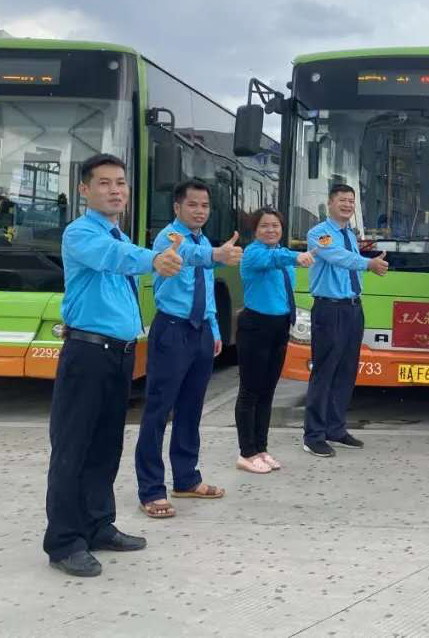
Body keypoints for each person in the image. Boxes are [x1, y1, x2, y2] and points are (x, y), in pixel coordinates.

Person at [43, 153, 183, 577]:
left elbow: (126, 253)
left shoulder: (118, 235)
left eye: (120, 182)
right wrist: (153, 260)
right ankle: (65, 541)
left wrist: (207, 255)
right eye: (104, 183)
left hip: (118, 354)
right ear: (84, 190)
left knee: (106, 446)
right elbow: (114, 256)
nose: (115, 190)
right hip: (87, 354)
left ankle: (98, 525)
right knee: (73, 448)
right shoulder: (81, 234)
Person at [134, 179, 244, 518]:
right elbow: (187, 256)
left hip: (200, 332)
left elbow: (206, 290)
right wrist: (216, 255)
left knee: (191, 409)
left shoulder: (203, 240)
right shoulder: (170, 238)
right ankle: (151, 490)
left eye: (205, 206)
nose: (199, 211)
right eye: (193, 205)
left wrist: (214, 330)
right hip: (171, 330)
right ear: (177, 207)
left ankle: (186, 479)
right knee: (158, 410)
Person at [303, 184, 389, 457]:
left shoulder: (350, 234)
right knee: (324, 372)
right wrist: (368, 264)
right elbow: (338, 258)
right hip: (329, 310)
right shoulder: (319, 233)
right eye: (342, 200)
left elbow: (350, 259)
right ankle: (313, 435)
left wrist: (366, 263)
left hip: (353, 308)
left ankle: (336, 428)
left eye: (352, 201)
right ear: (330, 203)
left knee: (346, 371)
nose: (348, 205)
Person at [236, 207, 314, 473]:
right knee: (250, 391)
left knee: (267, 391)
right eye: (264, 226)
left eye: (275, 226)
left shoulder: (282, 254)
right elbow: (274, 259)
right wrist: (296, 256)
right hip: (256, 326)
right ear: (255, 230)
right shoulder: (254, 253)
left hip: (279, 327)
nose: (271, 230)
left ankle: (261, 448)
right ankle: (246, 453)